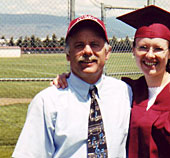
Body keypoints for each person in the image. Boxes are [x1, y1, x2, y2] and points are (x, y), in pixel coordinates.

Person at [52, 5, 170, 158]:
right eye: (143, 47)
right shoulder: (128, 92)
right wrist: (67, 79)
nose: (150, 55)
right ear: (133, 50)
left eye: (158, 49)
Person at [12, 15, 132, 158]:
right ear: (68, 54)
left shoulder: (124, 93)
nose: (87, 51)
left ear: (107, 52)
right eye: (79, 45)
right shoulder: (47, 102)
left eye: (94, 44)